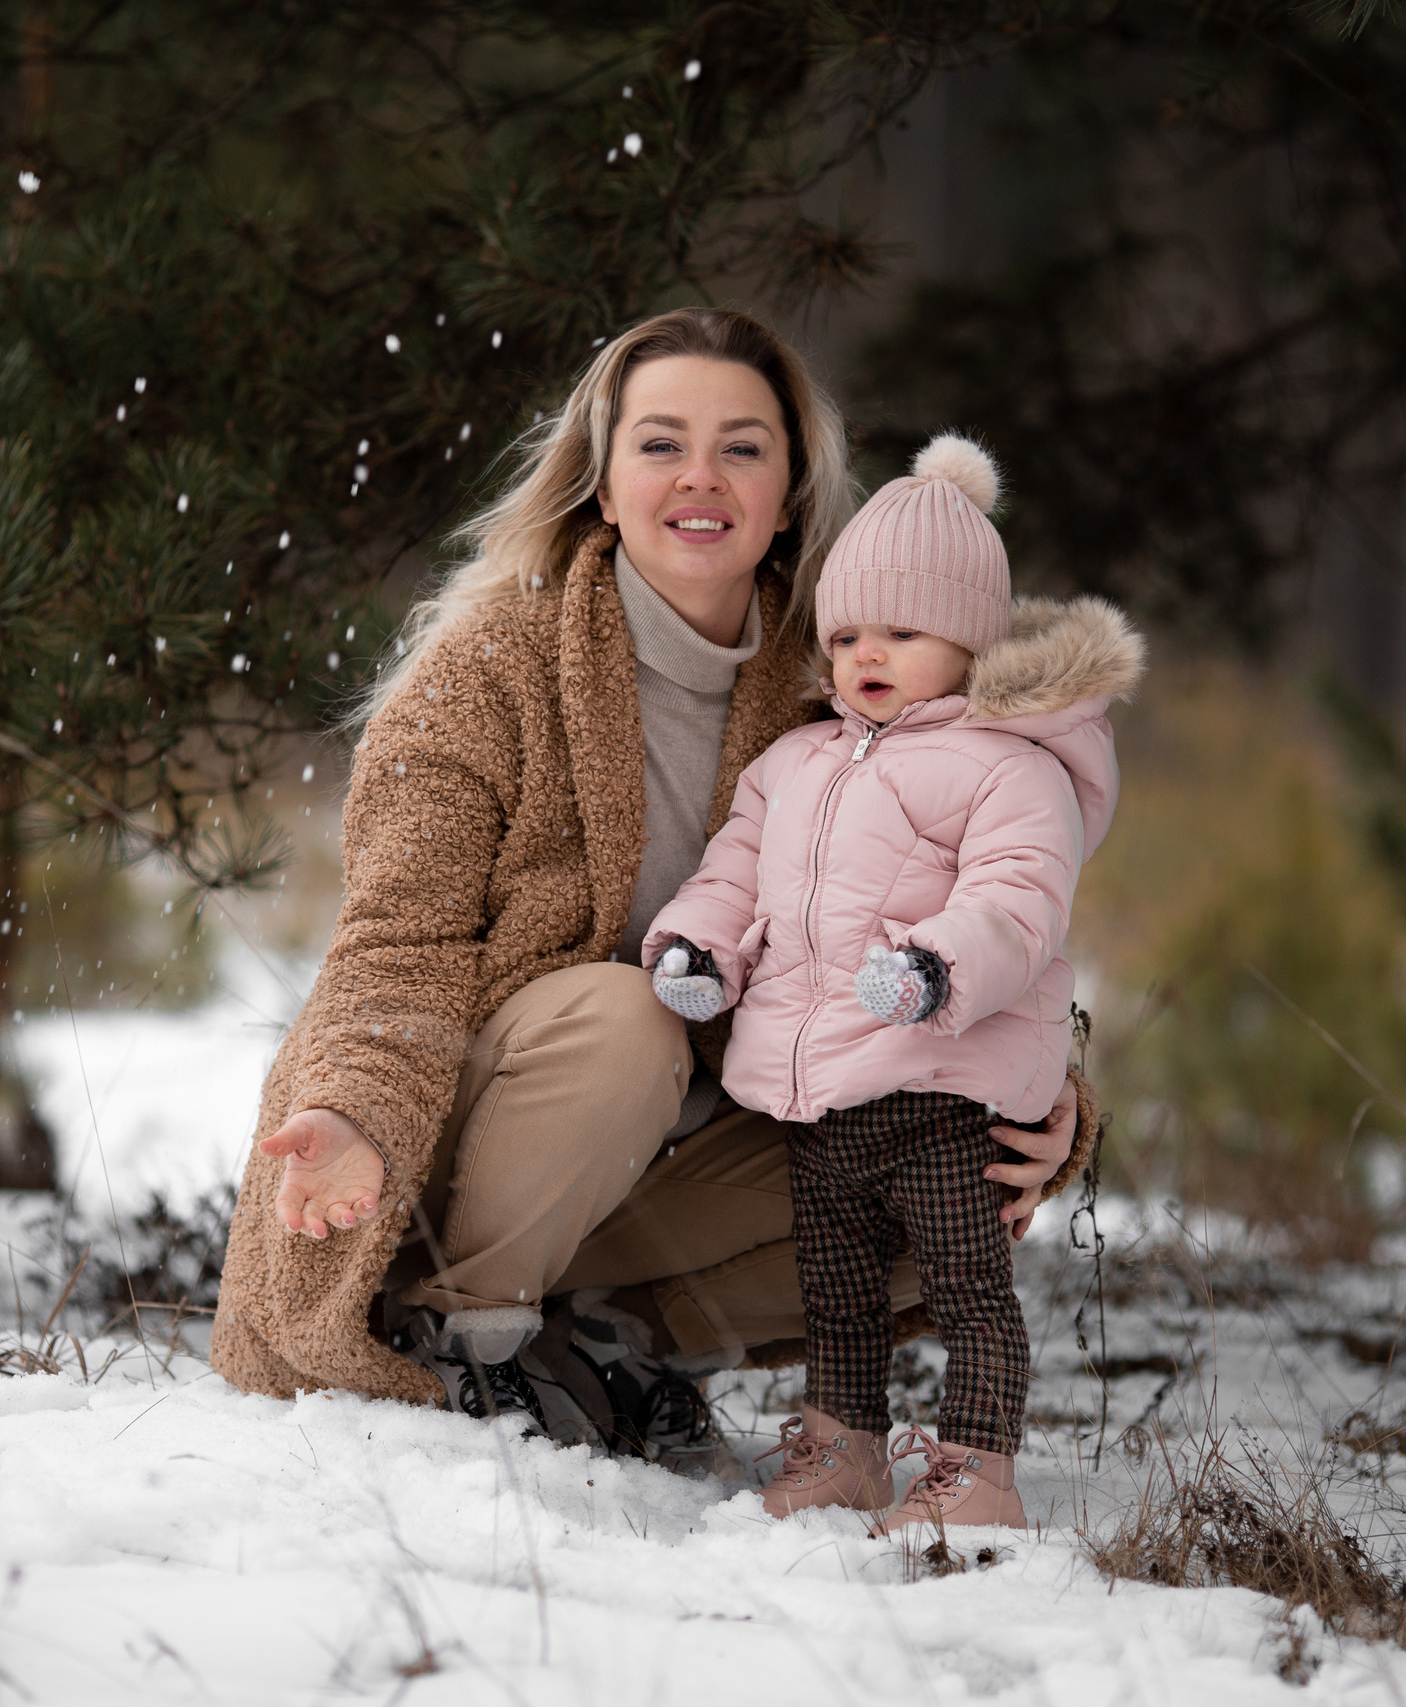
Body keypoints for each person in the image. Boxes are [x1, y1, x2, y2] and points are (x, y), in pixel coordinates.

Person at [208, 310, 1098, 1470]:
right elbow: (395, 946)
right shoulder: (486, 670)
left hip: (677, 1148)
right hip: (466, 1128)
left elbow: (984, 896)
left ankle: (611, 1341)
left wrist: (1047, 1101)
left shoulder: (851, 682)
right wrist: (355, 1109)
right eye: (660, 443)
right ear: (602, 482)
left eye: (742, 447)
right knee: (629, 1014)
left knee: (934, 1177)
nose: (701, 477)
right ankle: (460, 1324)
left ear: (789, 496)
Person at [645, 435, 1144, 1527]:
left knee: (969, 1286)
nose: (867, 654)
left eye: (903, 633)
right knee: (836, 1294)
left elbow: (1020, 901)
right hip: (820, 1097)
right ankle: (844, 1448)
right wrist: (698, 950)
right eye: (848, 633)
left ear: (968, 642)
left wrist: (932, 966)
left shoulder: (1009, 766)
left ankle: (978, 1469)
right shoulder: (796, 763)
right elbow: (735, 874)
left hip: (940, 1090)